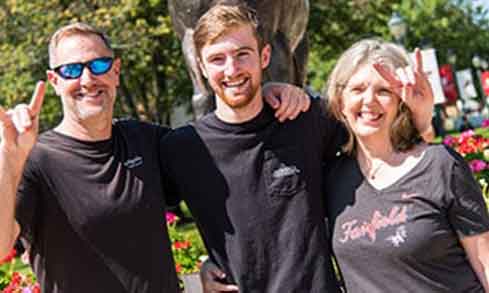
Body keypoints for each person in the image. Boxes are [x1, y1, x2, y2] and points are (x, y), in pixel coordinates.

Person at [0, 22, 309, 293]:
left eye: (98, 65)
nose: (87, 79)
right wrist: (9, 162)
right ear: (54, 82)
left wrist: (264, 90)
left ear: (116, 72)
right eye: (71, 69)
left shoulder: (145, 140)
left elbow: (227, 159)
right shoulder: (35, 161)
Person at [325, 38, 489, 292]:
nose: (369, 100)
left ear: (401, 101)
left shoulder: (440, 165)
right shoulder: (331, 179)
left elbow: (485, 264)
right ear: (340, 101)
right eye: (357, 89)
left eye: (383, 91)